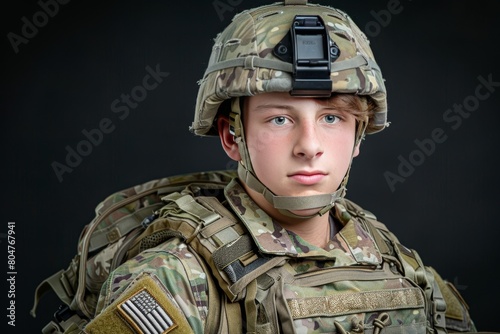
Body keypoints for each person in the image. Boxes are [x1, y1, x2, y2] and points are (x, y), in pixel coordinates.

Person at [83, 1, 476, 333]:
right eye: (280, 120)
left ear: (358, 135)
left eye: (331, 118)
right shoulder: (177, 277)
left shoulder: (394, 259)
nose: (309, 146)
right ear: (231, 137)